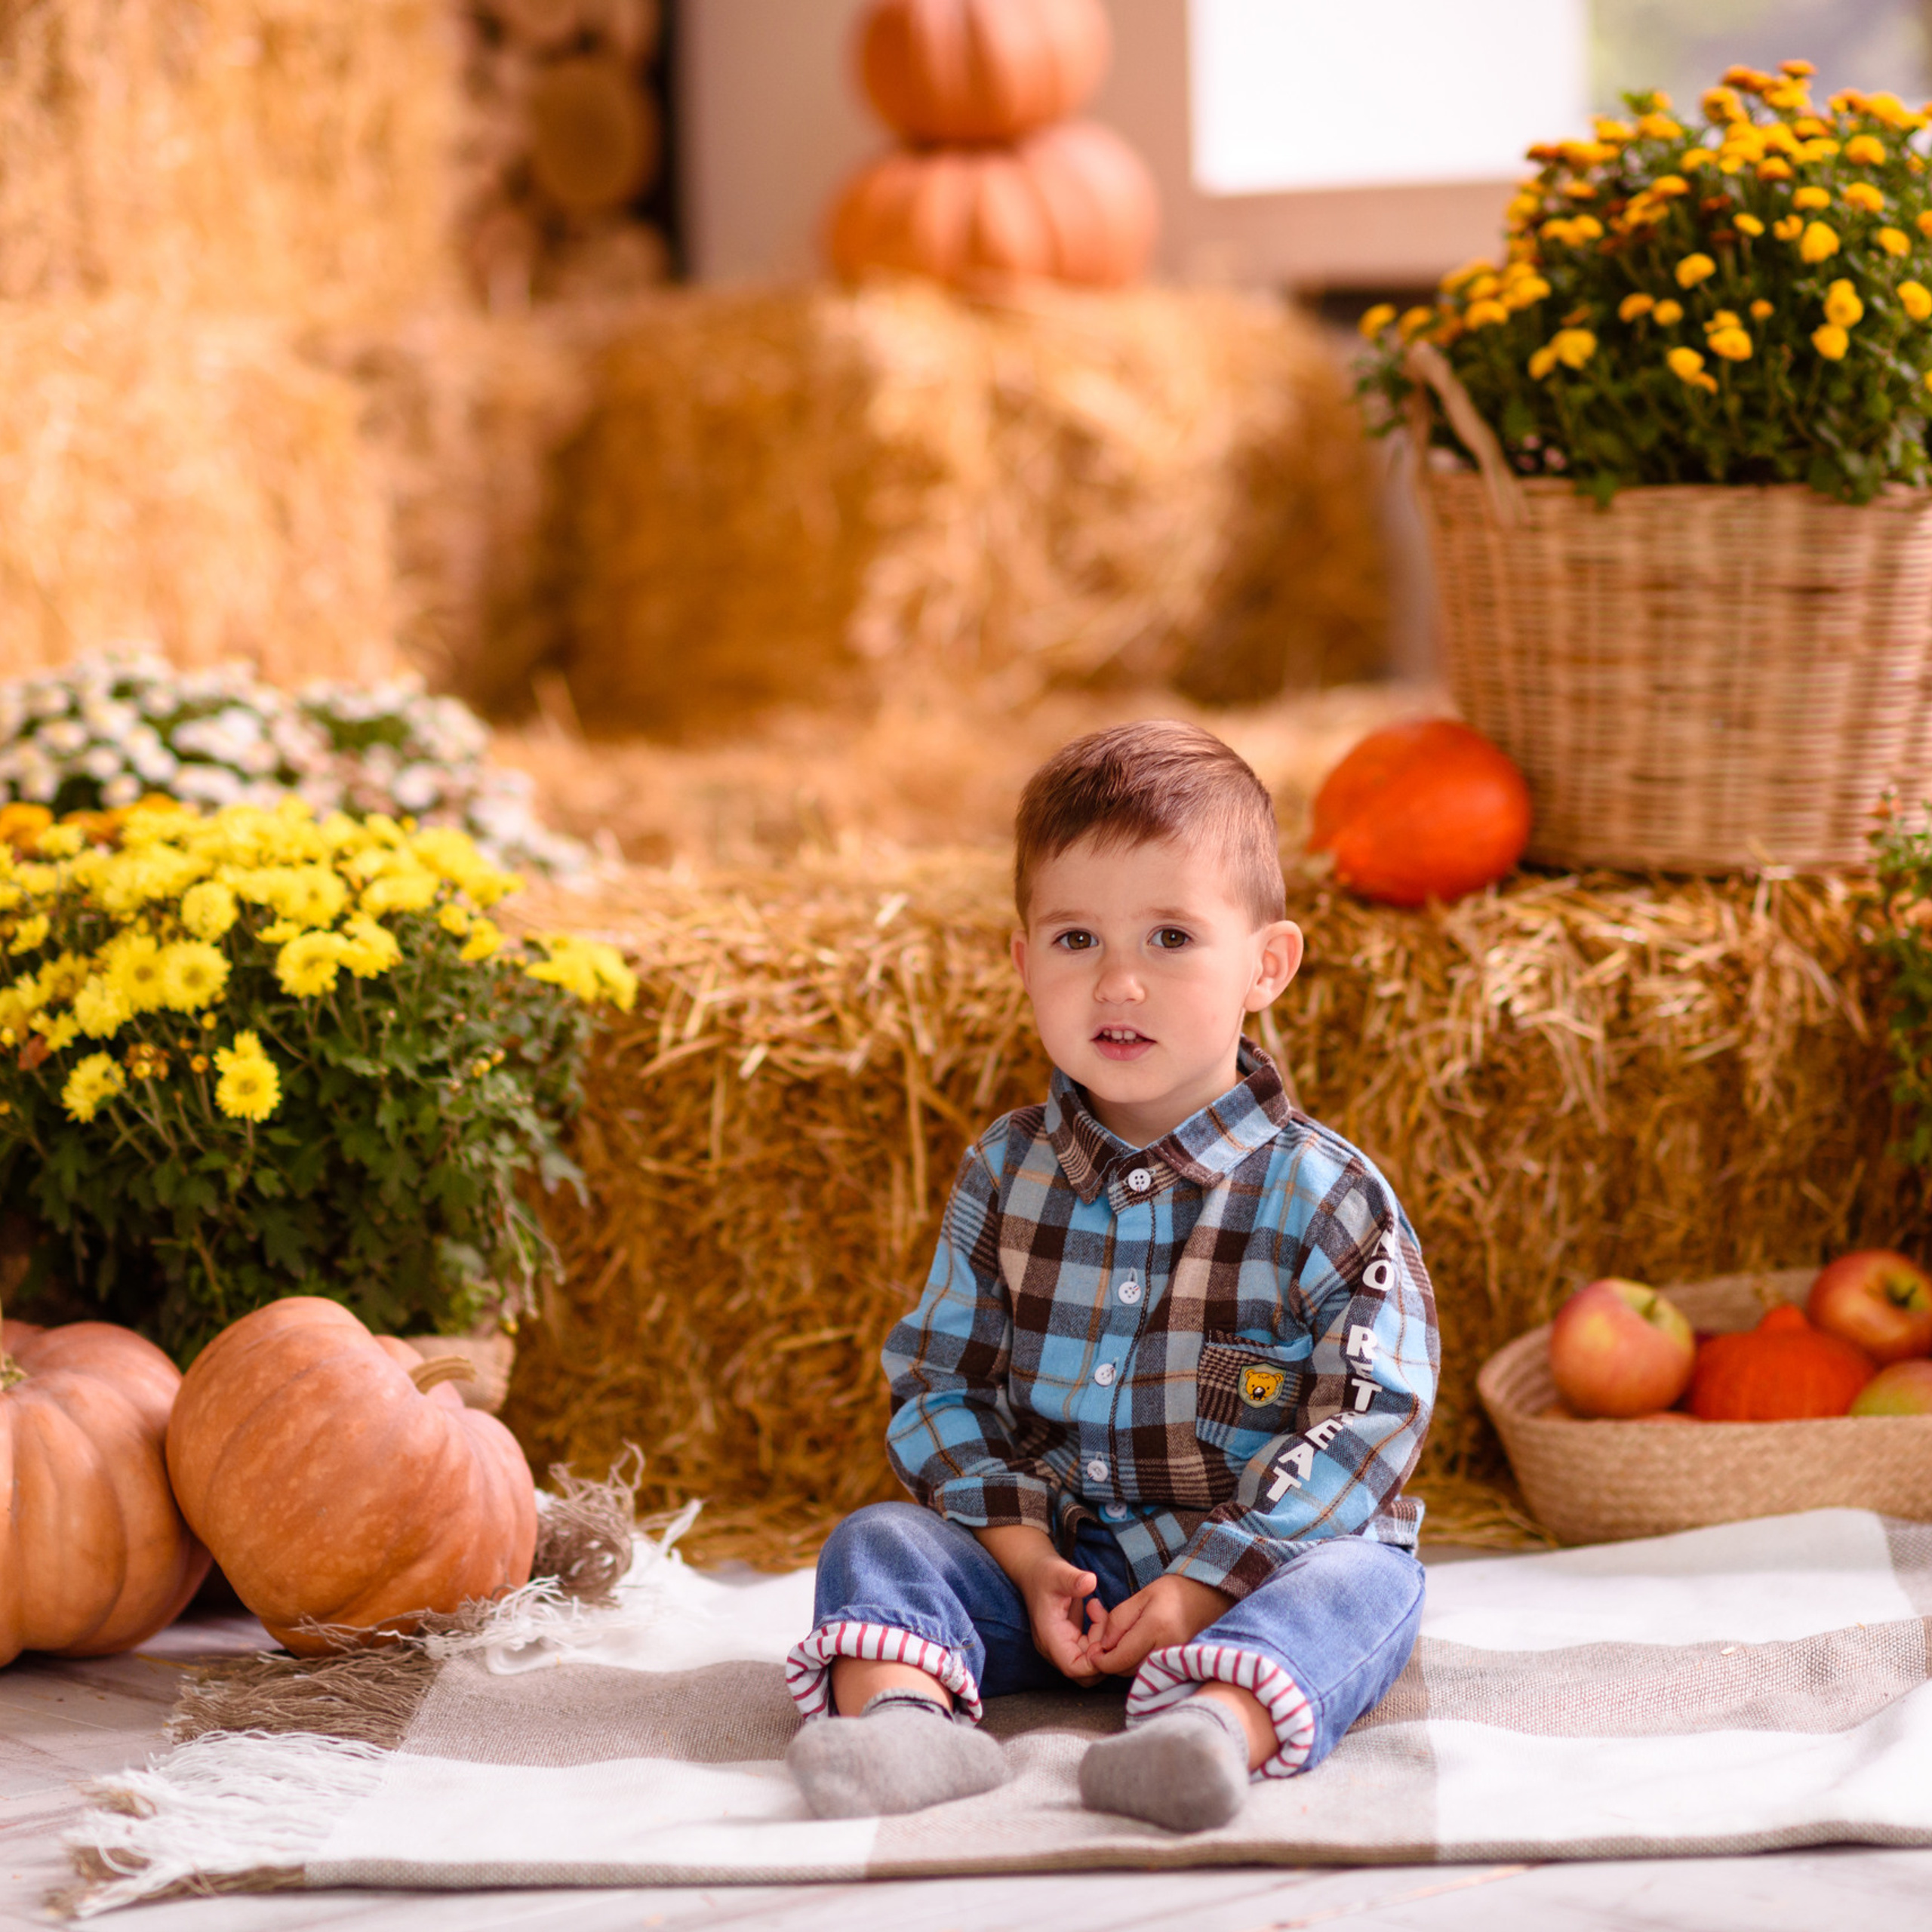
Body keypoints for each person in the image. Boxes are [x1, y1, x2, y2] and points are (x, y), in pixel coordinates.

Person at [783, 720, 1438, 1832]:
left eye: (1172, 937)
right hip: (1055, 1572)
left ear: (1266, 966)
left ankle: (1210, 1727)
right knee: (876, 1543)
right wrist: (1027, 1561)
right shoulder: (1006, 1171)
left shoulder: (1325, 1197)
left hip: (1247, 1572)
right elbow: (944, 1385)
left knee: (1370, 1586)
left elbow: (1369, 1418)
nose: (1119, 982)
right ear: (1023, 959)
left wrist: (1202, 1586)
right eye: (1077, 938)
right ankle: (897, 1724)